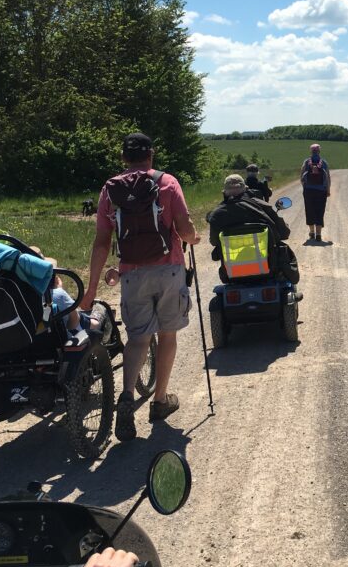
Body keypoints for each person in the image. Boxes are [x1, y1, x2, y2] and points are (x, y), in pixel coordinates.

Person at [80, 132, 201, 442]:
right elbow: (186, 231)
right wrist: (194, 238)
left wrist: (91, 290)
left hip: (132, 274)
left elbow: (101, 242)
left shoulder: (110, 190)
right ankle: (159, 401)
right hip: (169, 269)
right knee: (168, 334)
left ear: (124, 158)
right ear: (152, 154)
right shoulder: (167, 183)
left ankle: (126, 398)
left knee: (137, 339)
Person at [208, 174, 298, 284]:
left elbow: (214, 241)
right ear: (245, 189)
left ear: (225, 192)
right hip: (268, 268)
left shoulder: (217, 214)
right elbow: (284, 233)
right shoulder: (260, 205)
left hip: (233, 272)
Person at [300, 143, 331, 241]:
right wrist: (328, 190)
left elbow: (301, 177)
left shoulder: (306, 162)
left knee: (309, 210)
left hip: (308, 191)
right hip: (321, 191)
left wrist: (304, 187)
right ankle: (318, 234)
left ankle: (312, 232)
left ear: (311, 151)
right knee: (319, 211)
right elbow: (328, 178)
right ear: (319, 151)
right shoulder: (324, 163)